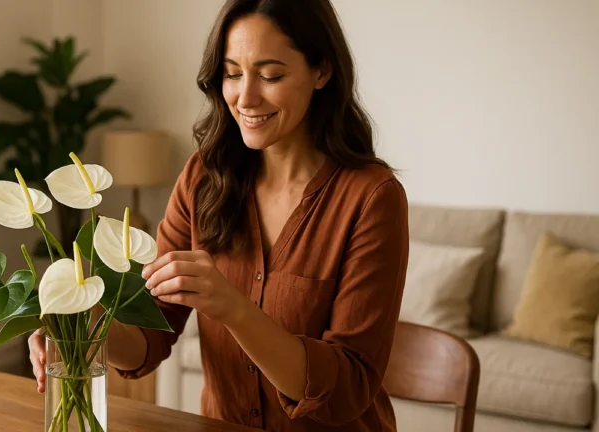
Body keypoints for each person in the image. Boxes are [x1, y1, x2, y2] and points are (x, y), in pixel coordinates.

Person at [30, 0, 409, 430]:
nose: (244, 97)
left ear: (321, 71)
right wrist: (77, 323)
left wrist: (233, 308)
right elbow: (150, 337)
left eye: (271, 75)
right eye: (232, 73)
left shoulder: (372, 198)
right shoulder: (203, 178)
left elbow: (346, 390)